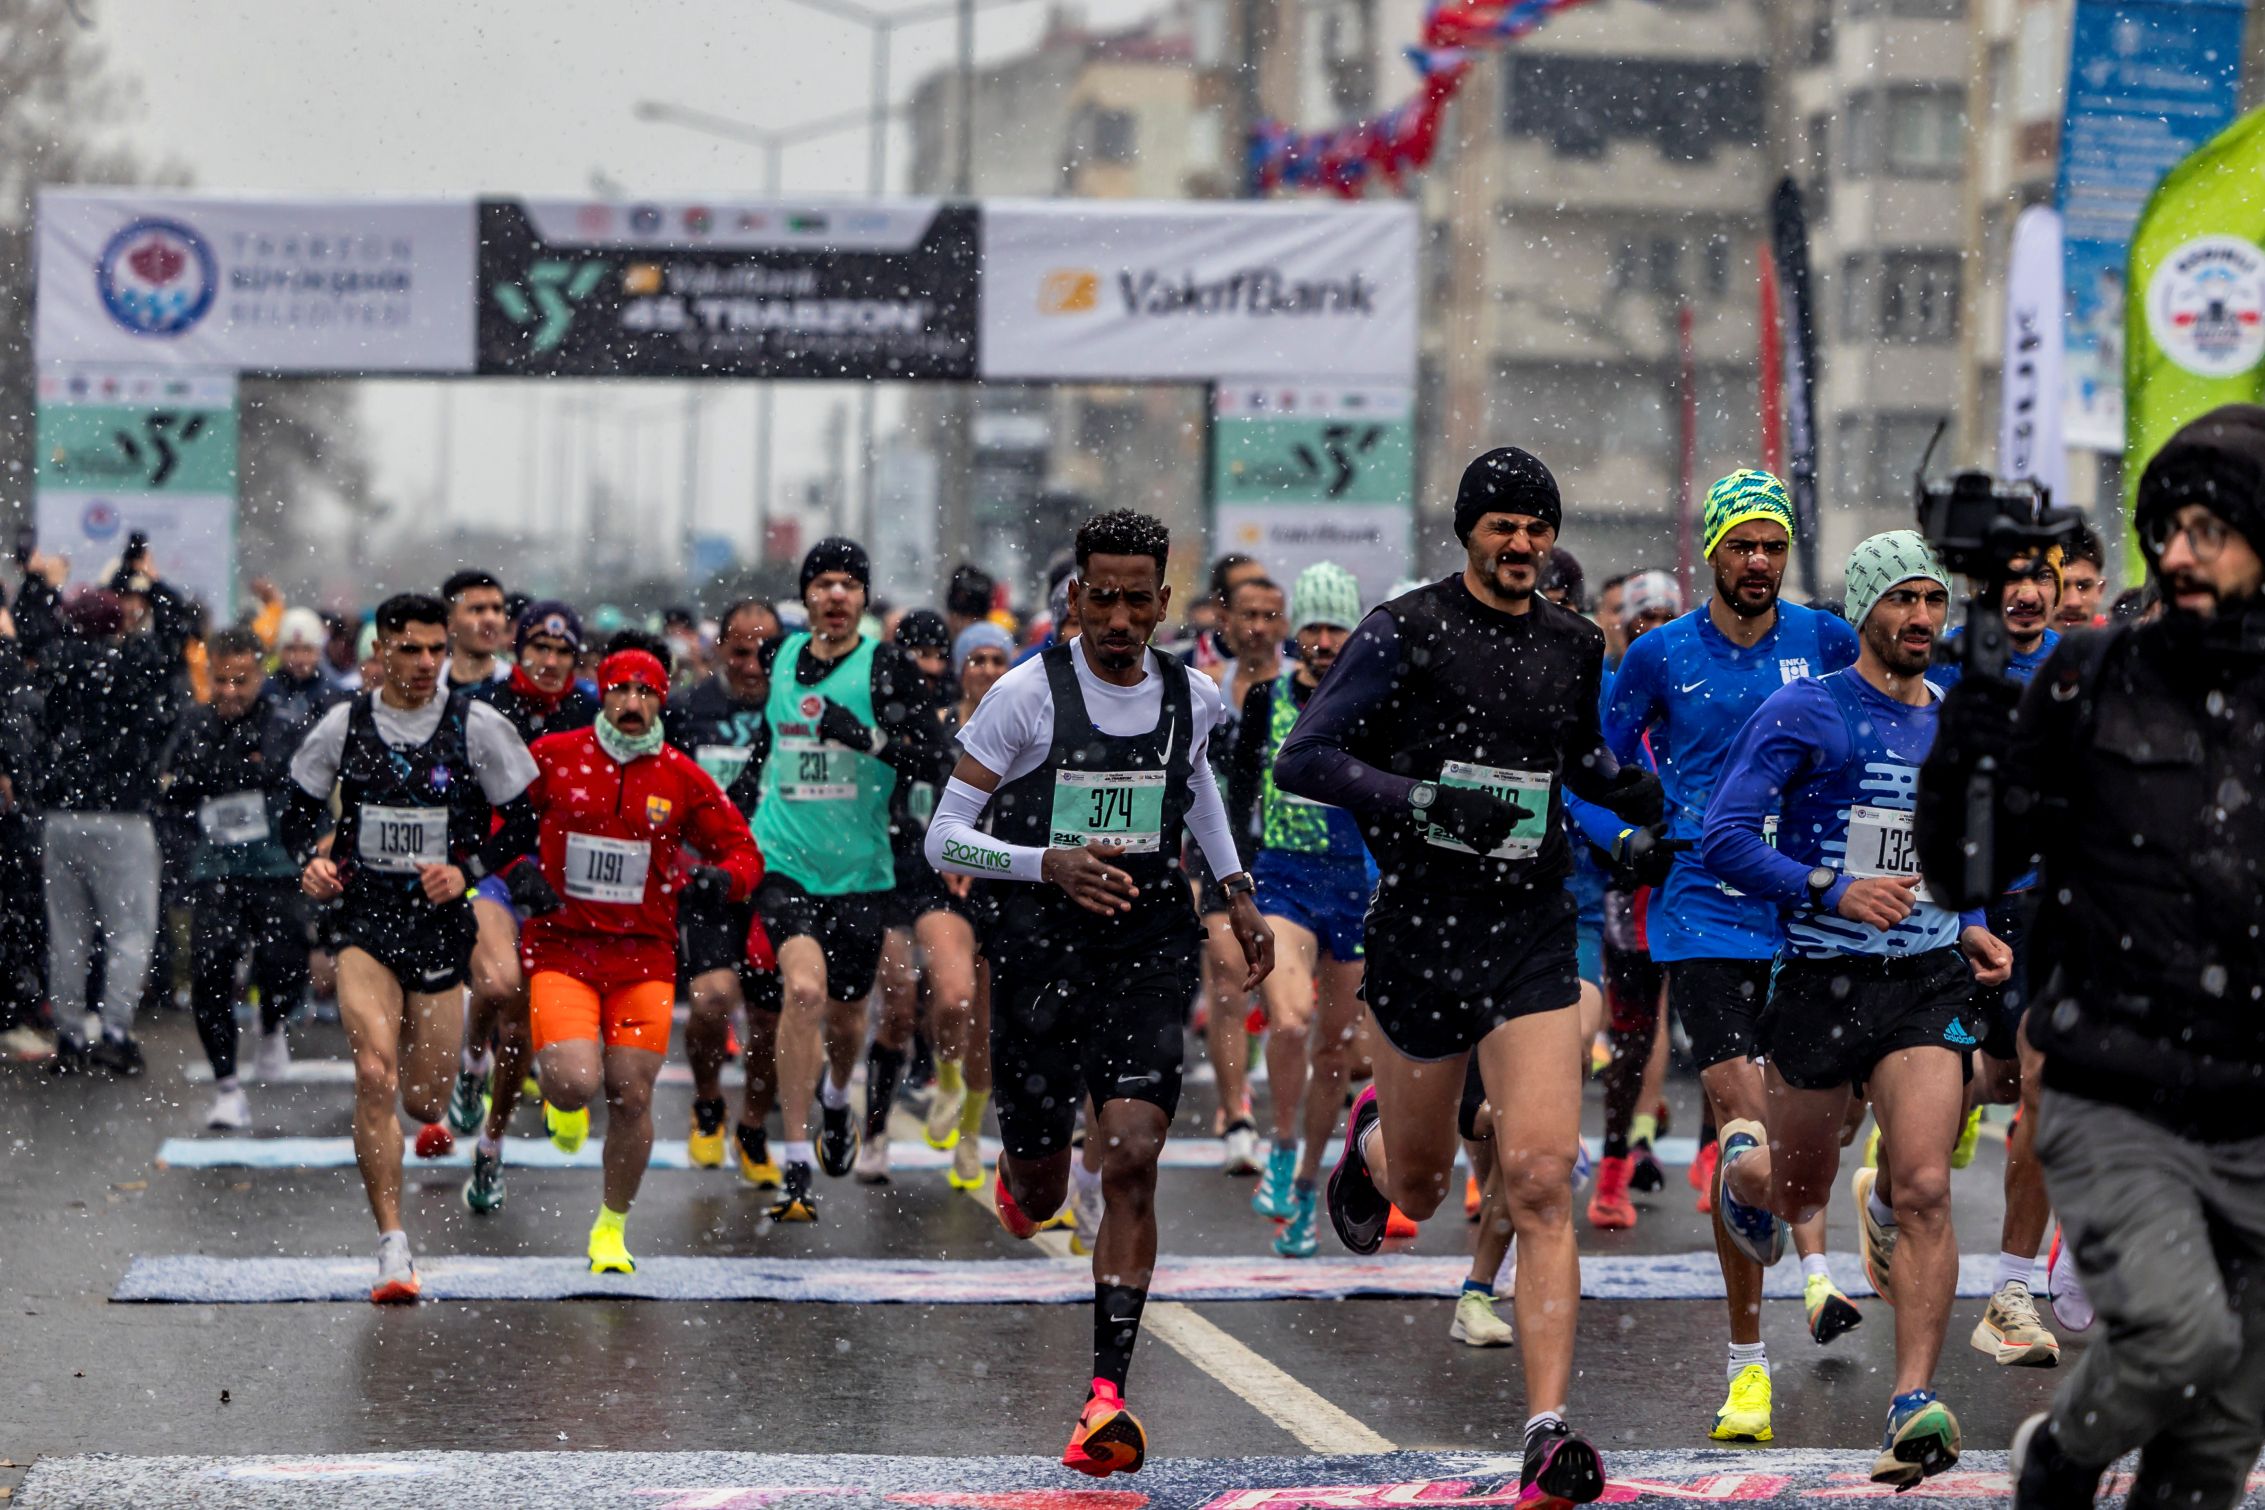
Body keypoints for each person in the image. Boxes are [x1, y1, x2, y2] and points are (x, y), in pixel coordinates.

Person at [1275, 447, 1663, 1504]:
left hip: (1530, 929)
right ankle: (1367, 1146)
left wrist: (1637, 804)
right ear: (1469, 532)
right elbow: (1303, 759)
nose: (1524, 544)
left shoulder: (1576, 642)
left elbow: (1575, 759)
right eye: (1503, 525)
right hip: (1419, 929)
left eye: (1538, 526)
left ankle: (1545, 1431)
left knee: (1539, 1177)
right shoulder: (1405, 630)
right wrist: (1423, 803)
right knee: (1421, 1185)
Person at [1919, 405, 2265, 1508]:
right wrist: (1974, 710)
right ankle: (2062, 1458)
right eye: (2168, 528)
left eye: (2212, 528)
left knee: (2216, 1445)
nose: (2179, 552)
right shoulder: (2086, 676)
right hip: (2116, 1089)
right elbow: (1969, 857)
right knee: (2176, 1331)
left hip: (2255, 1101)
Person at [925, 508, 1272, 1479]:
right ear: (1075, 598)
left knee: (1131, 1150)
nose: (1118, 617)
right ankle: (1024, 1169)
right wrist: (1046, 862)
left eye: (1137, 598)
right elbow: (942, 837)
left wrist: (1237, 891)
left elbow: (1195, 783)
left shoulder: (1192, 694)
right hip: (1039, 946)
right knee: (1040, 1193)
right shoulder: (1025, 698)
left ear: (1164, 603)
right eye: (1101, 597)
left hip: (1149, 939)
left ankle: (1107, 1397)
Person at [1701, 530, 2011, 1488]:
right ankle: (1739, 1175)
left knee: (1921, 1186)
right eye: (1902, 601)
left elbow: (1952, 847)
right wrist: (1829, 886)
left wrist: (1972, 922)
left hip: (1923, 982)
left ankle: (1911, 1403)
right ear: (1863, 612)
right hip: (1820, 984)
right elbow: (1721, 839)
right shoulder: (1809, 710)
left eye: (1933, 602)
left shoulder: (1954, 718)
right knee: (1793, 1192)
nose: (1921, 619)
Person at [1592, 471, 1863, 1443]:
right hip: (1702, 910)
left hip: (1810, 910)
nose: (1757, 560)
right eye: (1741, 543)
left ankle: (1801, 1212)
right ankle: (1749, 1364)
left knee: (1807, 1134)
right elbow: (1592, 762)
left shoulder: (1826, 641)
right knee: (1741, 1120)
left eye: (1772, 544)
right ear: (1710, 550)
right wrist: (1617, 835)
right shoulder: (1662, 655)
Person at [283, 593, 543, 1304]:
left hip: (437, 928)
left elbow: (524, 819)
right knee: (375, 1075)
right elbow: (295, 811)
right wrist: (309, 859)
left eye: (436, 649)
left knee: (424, 1100)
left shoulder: (475, 725)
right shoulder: (346, 724)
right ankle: (392, 1247)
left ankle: (464, 1073)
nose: (426, 664)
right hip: (365, 923)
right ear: (381, 653)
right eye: (411, 650)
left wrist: (471, 869)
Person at [520, 647, 763, 1272]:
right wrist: (516, 873)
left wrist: (724, 881)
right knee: (577, 1083)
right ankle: (560, 1101)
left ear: (662, 699)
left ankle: (610, 1229)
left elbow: (742, 848)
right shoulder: (554, 757)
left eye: (647, 692)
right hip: (563, 948)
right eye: (622, 691)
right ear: (601, 695)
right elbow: (496, 821)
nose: (634, 704)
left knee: (630, 1095)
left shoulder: (681, 776)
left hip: (643, 958)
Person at [753, 538, 943, 1221]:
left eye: (848, 585)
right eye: (823, 584)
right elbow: (766, 750)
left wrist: (863, 739)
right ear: (806, 596)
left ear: (863, 600)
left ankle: (839, 1097)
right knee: (802, 991)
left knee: (846, 1013)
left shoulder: (885, 667)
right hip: (783, 859)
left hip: (861, 868)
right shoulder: (777, 658)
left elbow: (934, 760)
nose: (835, 595)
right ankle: (797, 1163)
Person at [1930, 549, 2066, 1371]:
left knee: (2043, 1081)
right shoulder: (1941, 654)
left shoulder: (2078, 665)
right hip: (1956, 907)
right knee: (1989, 1080)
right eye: (2008, 577)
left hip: (2051, 906)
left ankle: (2012, 1290)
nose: (2026, 592)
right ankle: (1893, 1184)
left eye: (2041, 577)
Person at [1229, 562, 1370, 1258]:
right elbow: (1233, 793)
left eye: (1334, 627)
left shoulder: (1375, 705)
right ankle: (1281, 1144)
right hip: (1282, 877)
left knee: (1337, 1052)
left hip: (1353, 885)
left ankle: (1310, 1186)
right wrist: (1225, 881)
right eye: (1311, 626)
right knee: (1287, 1020)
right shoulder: (1266, 703)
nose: (1321, 639)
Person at [16, 541, 190, 1077]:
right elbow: (176, 637)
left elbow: (31, 634)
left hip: (64, 818)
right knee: (130, 933)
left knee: (68, 935)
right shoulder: (136, 664)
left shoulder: (60, 665)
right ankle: (114, 1031)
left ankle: (69, 1037)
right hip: (124, 819)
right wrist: (149, 582)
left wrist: (42, 585)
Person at [450, 602, 601, 1212]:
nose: (550, 661)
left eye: (563, 652)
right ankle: (469, 1060)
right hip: (495, 870)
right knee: (499, 980)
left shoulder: (592, 710)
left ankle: (491, 1146)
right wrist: (502, 863)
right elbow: (463, 798)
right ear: (518, 646)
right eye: (540, 646)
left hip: (564, 880)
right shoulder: (484, 705)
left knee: (521, 1025)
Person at [162, 626, 319, 1126]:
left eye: (241, 681)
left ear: (261, 674)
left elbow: (309, 794)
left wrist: (312, 844)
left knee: (286, 963)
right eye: (221, 680)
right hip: (216, 872)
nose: (229, 691)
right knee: (210, 971)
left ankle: (272, 1026)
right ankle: (227, 1087)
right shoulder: (192, 724)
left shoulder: (286, 724)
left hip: (275, 868)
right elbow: (168, 794)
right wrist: (189, 844)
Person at [666, 599, 786, 1186]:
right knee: (712, 1000)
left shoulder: (793, 711)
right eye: (739, 650)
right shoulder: (686, 711)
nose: (750, 664)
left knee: (768, 1019)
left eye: (763, 651)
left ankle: (754, 1126)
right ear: (719, 650)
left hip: (778, 880)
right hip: (707, 879)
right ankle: (709, 1102)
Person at [861, 607, 964, 1184]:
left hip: (939, 878)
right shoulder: (876, 714)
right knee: (896, 1006)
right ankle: (874, 1133)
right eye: (915, 655)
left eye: (935, 654)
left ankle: (944, 1079)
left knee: (952, 999)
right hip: (883, 874)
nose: (927, 666)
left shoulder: (955, 722)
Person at [1201, 571, 1285, 1175]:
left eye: (1270, 616)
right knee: (1228, 977)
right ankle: (1235, 1114)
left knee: (1278, 993)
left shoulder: (1303, 691)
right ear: (1225, 621)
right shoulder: (1208, 689)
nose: (1258, 627)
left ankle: (1257, 1083)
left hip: (1289, 851)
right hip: (1221, 853)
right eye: (1248, 615)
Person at [927, 621, 1016, 1191]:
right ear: (959, 667)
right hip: (941, 884)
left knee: (986, 1024)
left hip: (1004, 882)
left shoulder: (1025, 727)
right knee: (954, 997)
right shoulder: (936, 731)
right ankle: (946, 1075)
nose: (986, 669)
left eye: (996, 659)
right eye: (975, 659)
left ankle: (968, 1134)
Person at [269, 607, 346, 728]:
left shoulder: (333, 694)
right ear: (279, 652)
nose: (299, 659)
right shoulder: (265, 693)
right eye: (291, 649)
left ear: (318, 652)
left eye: (306, 650)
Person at [440, 569, 511, 688]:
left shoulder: (520, 687)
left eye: (497, 609)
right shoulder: (427, 685)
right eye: (477, 609)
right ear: (449, 621)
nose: (490, 619)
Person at [2053, 522, 2107, 629]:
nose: (2074, 602)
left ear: (2100, 590)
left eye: (2084, 586)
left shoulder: (2122, 643)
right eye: (2061, 586)